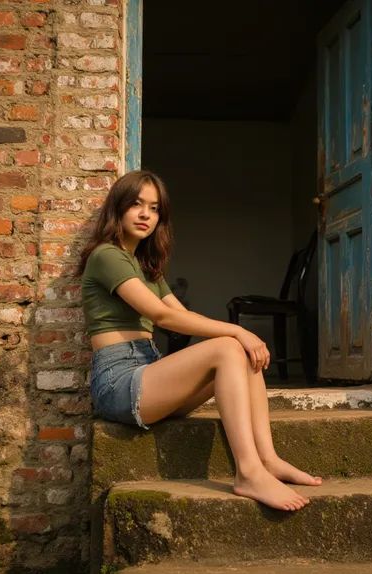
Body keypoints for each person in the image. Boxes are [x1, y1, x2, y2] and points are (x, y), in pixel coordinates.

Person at [77, 170, 322, 511]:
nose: (146, 214)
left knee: (239, 353)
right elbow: (162, 317)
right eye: (136, 205)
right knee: (229, 345)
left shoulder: (145, 267)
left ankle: (268, 458)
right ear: (117, 209)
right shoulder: (107, 255)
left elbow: (182, 319)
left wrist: (237, 339)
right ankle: (248, 472)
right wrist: (237, 330)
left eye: (154, 207)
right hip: (119, 382)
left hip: (150, 372)